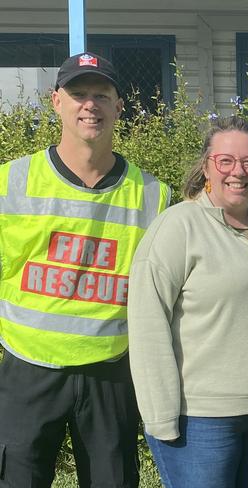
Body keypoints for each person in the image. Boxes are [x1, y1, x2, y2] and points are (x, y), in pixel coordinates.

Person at [0, 52, 170, 487]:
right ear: (56, 101)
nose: (89, 105)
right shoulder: (11, 182)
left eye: (101, 95)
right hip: (28, 368)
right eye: (78, 94)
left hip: (110, 371)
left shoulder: (153, 195)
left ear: (119, 106)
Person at [128, 115, 248, 488]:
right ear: (206, 167)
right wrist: (160, 417)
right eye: (225, 161)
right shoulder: (178, 227)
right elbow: (148, 324)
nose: (237, 172)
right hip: (203, 420)